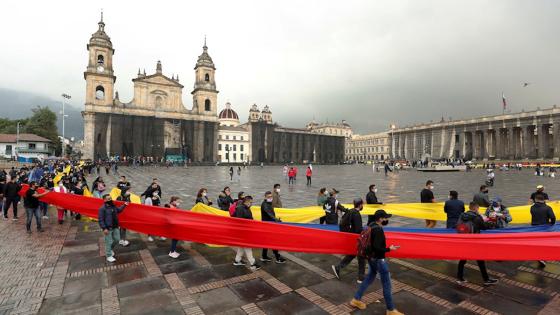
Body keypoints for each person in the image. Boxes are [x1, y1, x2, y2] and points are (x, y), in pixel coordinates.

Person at [350, 210, 402, 314]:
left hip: (371, 258)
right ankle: (391, 310)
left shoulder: (371, 225)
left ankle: (356, 299)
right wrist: (389, 249)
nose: (386, 219)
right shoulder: (378, 230)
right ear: (380, 219)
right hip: (378, 260)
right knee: (387, 284)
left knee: (369, 278)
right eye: (385, 218)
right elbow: (377, 248)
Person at [456, 202, 498, 285]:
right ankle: (486, 280)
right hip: (474, 242)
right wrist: (491, 220)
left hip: (464, 241)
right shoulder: (476, 217)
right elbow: (485, 227)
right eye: (478, 208)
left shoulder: (462, 215)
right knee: (480, 260)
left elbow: (457, 226)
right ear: (476, 208)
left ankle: (460, 278)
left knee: (462, 260)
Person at [332, 198, 366, 283]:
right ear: (360, 205)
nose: (363, 205)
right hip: (356, 239)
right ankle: (361, 278)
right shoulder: (357, 214)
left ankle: (338, 268)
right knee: (361, 257)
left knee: (352, 255)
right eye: (363, 204)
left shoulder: (350, 211)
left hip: (350, 238)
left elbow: (343, 224)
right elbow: (358, 229)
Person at [232, 196, 261, 271]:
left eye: (252, 202)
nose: (251, 204)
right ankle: (253, 263)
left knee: (242, 247)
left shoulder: (246, 208)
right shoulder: (240, 209)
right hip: (242, 232)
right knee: (247, 247)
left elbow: (249, 219)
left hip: (245, 231)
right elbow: (239, 221)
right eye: (250, 202)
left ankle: (237, 260)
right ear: (246, 201)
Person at [98, 194, 129, 262]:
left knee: (117, 239)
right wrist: (104, 228)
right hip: (108, 228)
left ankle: (110, 249)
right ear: (104, 200)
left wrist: (125, 205)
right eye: (108, 199)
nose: (110, 200)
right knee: (108, 242)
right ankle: (108, 255)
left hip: (115, 226)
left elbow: (119, 210)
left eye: (110, 198)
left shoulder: (113, 206)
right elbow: (100, 220)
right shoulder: (102, 209)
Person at [530, 192, 556, 267]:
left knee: (537, 243)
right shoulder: (548, 208)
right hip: (544, 228)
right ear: (543, 200)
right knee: (544, 243)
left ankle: (539, 256)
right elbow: (553, 217)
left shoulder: (532, 207)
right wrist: (552, 223)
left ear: (536, 200)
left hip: (534, 227)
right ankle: (542, 257)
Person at [260, 191, 286, 263]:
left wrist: (275, 219)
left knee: (266, 242)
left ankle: (264, 256)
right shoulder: (265, 205)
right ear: (265, 197)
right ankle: (277, 257)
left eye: (271, 197)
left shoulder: (269, 203)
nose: (270, 198)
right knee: (273, 241)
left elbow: (271, 214)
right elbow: (269, 214)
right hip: (267, 226)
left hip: (269, 225)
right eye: (268, 197)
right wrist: (276, 220)